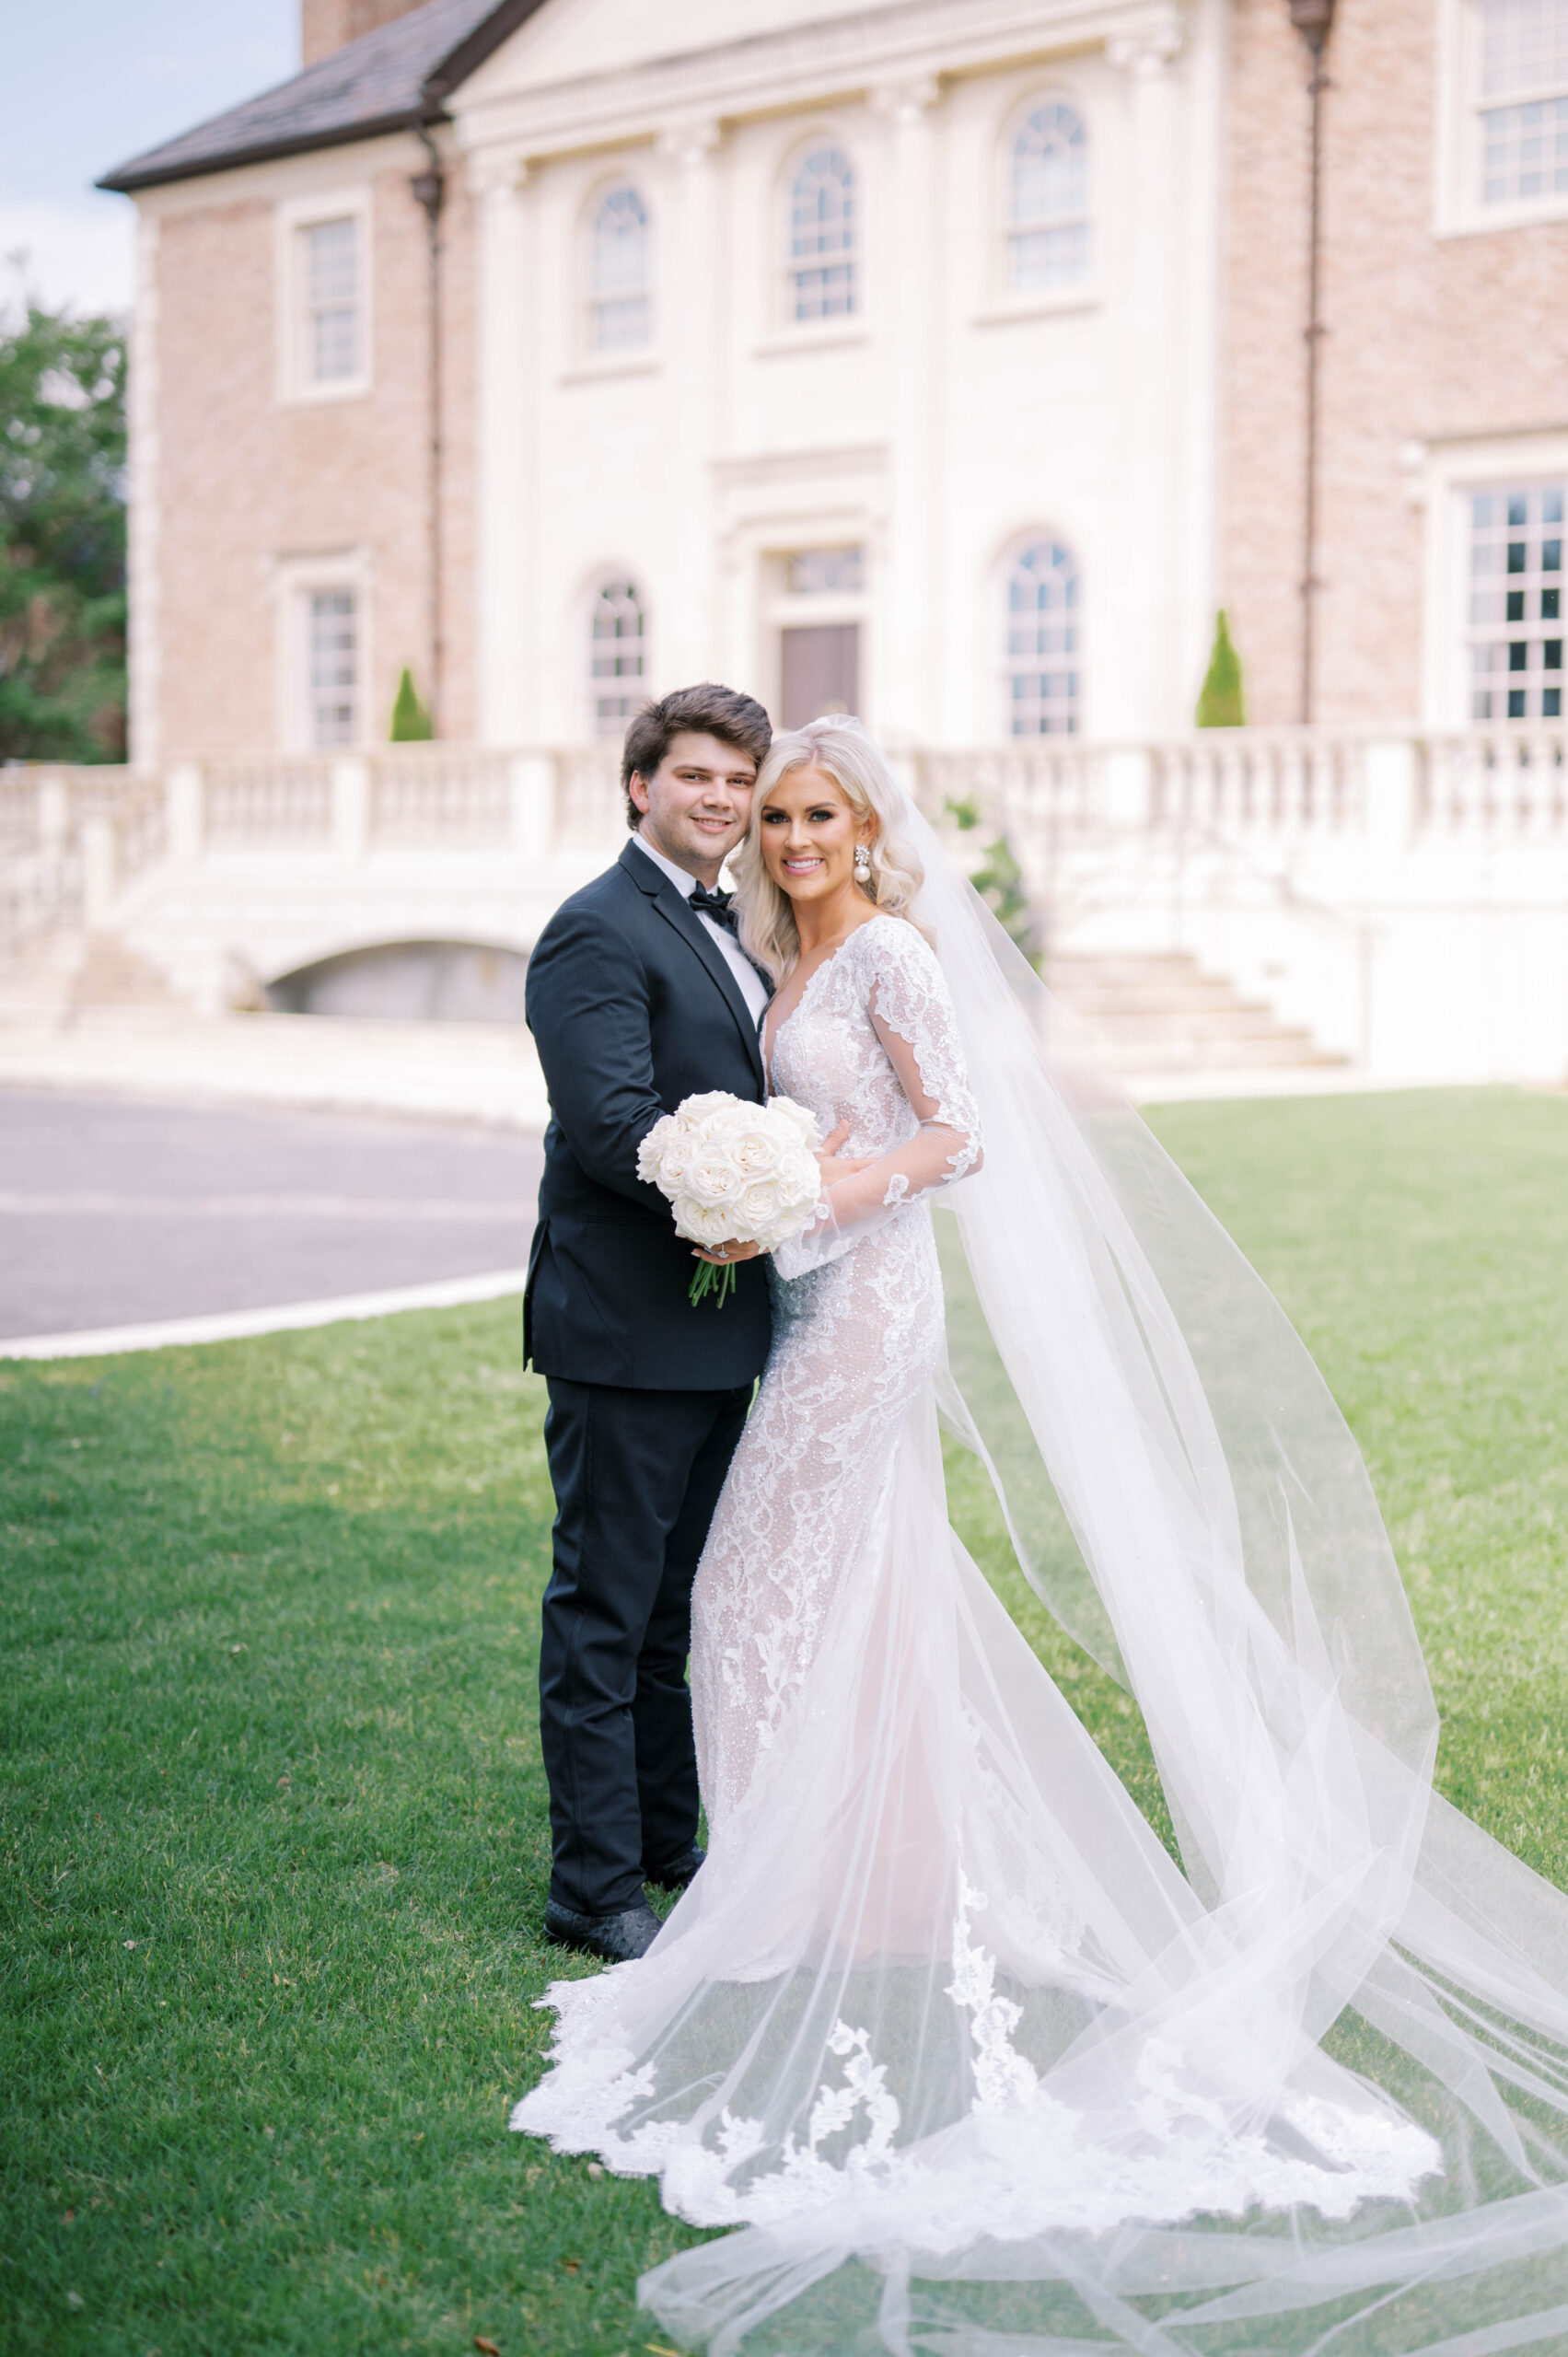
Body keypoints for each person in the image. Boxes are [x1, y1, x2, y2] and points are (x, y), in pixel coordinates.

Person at [515, 717, 1568, 2357]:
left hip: (859, 1305)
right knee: (822, 1594)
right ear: (687, 800)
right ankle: (833, 1873)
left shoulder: (894, 960)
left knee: (754, 1593)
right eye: (768, 807)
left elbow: (964, 1137)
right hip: (795, 1314)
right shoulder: (769, 951)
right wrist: (773, 1190)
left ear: (867, 826)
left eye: (812, 810)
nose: (784, 831)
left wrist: (811, 1198)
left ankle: (796, 1883)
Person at [524, 683, 861, 1967]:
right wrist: (754, 1193)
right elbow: (613, 1125)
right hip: (623, 1325)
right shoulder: (594, 932)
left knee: (679, 1611)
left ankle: (671, 1847)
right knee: (605, 1612)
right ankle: (594, 1887)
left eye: (739, 780)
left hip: (723, 1324)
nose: (721, 800)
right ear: (640, 787)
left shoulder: (736, 924)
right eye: (697, 779)